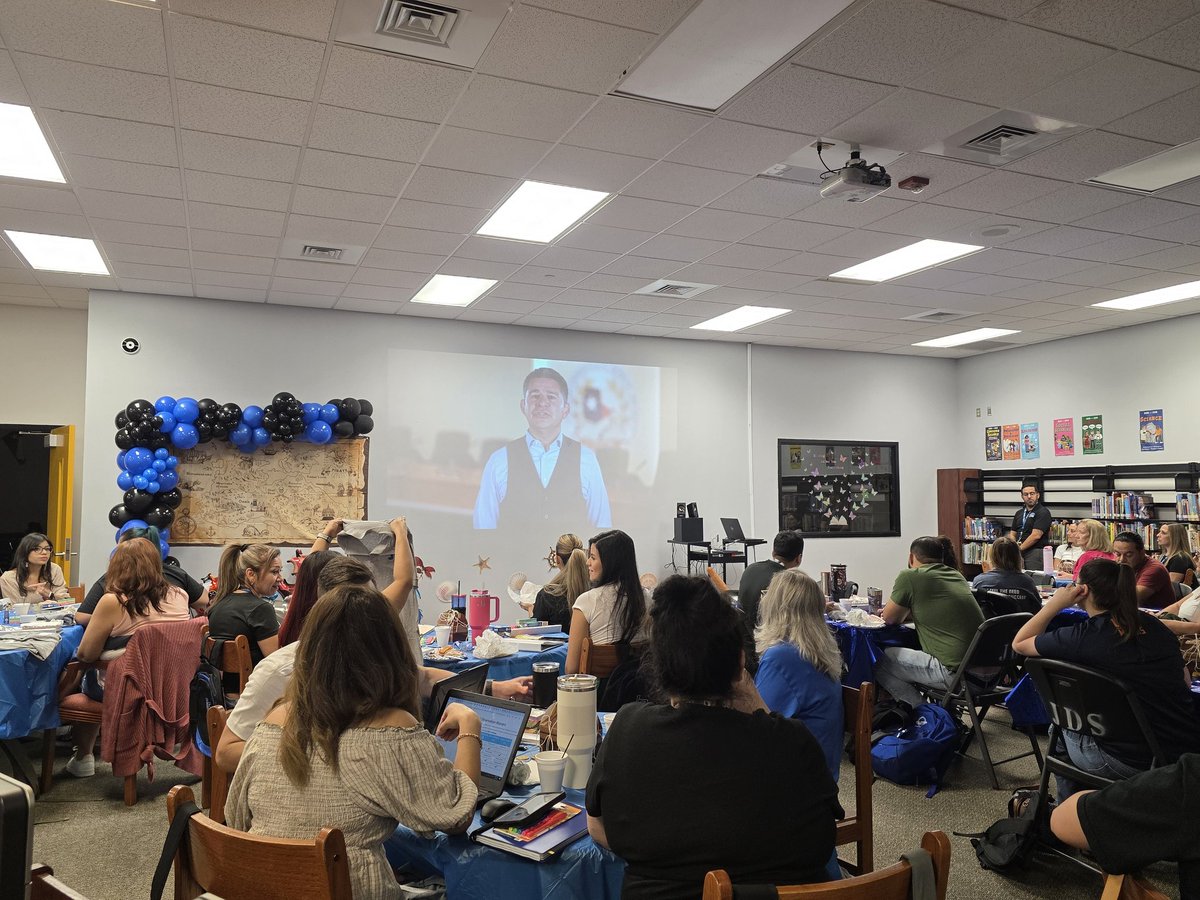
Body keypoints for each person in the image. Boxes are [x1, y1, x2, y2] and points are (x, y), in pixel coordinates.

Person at [585, 575, 841, 898]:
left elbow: (597, 825)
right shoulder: (792, 743)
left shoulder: (628, 730)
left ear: (659, 666)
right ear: (740, 663)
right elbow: (823, 839)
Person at [226, 583, 480, 900]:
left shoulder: (274, 720)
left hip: (260, 888)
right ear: (391, 650)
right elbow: (456, 815)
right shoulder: (390, 730)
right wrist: (470, 726)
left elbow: (236, 816)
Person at [216, 551, 531, 774]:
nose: (366, 620)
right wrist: (320, 756)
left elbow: (420, 677)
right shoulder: (279, 670)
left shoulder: (368, 656)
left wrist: (492, 688)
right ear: (325, 611)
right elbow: (226, 752)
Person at [1012, 558, 1200, 799]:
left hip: (1130, 762)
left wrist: (1055, 605)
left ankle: (1070, 811)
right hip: (1183, 752)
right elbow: (1185, 683)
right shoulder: (1156, 626)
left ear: (1082, 590)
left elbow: (1020, 643)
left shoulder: (1081, 637)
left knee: (1058, 729)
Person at [65, 540, 192, 777]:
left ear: (117, 566)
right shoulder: (180, 595)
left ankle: (83, 756)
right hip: (170, 689)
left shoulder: (113, 601)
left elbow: (86, 654)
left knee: (80, 668)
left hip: (128, 690)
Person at [473, 367, 611, 530]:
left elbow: (602, 527)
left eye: (551, 397)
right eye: (535, 396)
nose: (542, 403)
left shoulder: (586, 459)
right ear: (523, 406)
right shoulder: (499, 460)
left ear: (565, 410)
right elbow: (484, 529)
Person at [1050, 754, 1200, 897]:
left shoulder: (1189, 784)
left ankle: (1052, 827)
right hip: (1153, 760)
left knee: (1060, 745)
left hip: (1132, 761)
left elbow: (1061, 820)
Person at [754, 569, 844, 780]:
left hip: (796, 782)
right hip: (820, 776)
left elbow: (756, 726)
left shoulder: (782, 657)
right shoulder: (816, 652)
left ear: (776, 607)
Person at [876, 536, 984, 709]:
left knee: (879, 659)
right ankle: (941, 714)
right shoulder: (956, 575)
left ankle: (924, 715)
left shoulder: (910, 576)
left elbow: (890, 618)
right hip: (988, 676)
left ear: (911, 557)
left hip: (958, 676)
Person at [76, 526, 206, 625]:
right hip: (176, 649)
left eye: (119, 550)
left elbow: (82, 617)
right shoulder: (179, 587)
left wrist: (111, 619)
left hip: (130, 649)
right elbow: (205, 603)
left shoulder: (112, 581)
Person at [565, 529, 649, 674]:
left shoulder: (586, 602)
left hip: (600, 687)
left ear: (610, 563)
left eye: (592, 558)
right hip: (643, 685)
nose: (587, 562)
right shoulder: (647, 598)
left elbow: (571, 668)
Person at [206, 543, 283, 666]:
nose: (280, 578)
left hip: (223, 679)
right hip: (254, 678)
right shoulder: (260, 609)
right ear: (251, 574)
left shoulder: (218, 605)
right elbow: (278, 663)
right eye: (274, 572)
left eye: (280, 571)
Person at [737, 530, 803, 627]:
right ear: (798, 559)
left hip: (742, 632)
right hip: (766, 634)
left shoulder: (750, 569)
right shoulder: (789, 582)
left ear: (773, 553)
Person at [528, 534, 588, 633]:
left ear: (557, 559)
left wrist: (530, 609)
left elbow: (536, 632)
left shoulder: (547, 595)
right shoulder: (594, 592)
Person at [970, 536, 1040, 614]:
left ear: (992, 557)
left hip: (990, 622)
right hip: (1020, 621)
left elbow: (975, 610)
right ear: (1017, 557)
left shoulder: (979, 581)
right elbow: (1038, 610)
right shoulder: (1027, 582)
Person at [1112, 531, 1175, 610]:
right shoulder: (1121, 566)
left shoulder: (1155, 569)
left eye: (1128, 555)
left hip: (1157, 615)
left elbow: (1131, 598)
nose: (1121, 559)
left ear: (1142, 553)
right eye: (1117, 554)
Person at [0, 532, 69, 602]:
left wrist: (49, 594)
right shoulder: (9, 578)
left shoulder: (54, 569)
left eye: (47, 549)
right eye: (37, 549)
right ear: (25, 552)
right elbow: (14, 607)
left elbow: (66, 601)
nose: (44, 552)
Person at [1007, 481, 1052, 570]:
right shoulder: (1019, 513)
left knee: (1031, 576)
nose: (1029, 496)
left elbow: (1036, 536)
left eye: (1032, 493)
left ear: (1038, 495)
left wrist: (1019, 549)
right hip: (1018, 550)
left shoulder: (1043, 512)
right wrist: (1014, 546)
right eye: (1026, 494)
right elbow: (1012, 533)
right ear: (1022, 496)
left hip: (1034, 551)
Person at [1156, 522, 1196, 587]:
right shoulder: (1164, 556)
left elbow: (1170, 586)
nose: (1158, 535)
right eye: (1159, 532)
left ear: (1174, 537)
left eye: (1163, 533)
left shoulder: (1180, 559)